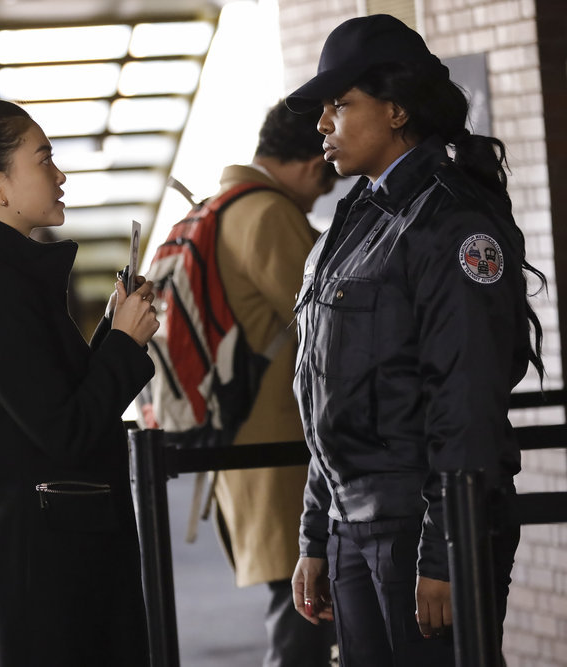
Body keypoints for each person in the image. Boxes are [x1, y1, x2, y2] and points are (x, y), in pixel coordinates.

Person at [285, 14, 545, 666]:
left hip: (421, 526)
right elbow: (329, 390)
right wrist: (316, 533)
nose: (323, 124)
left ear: (396, 110)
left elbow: (465, 396)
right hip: (350, 523)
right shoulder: (355, 216)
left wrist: (446, 551)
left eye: (341, 104)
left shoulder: (450, 221)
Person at [0, 98, 160, 666]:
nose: (59, 175)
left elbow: (47, 400)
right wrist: (122, 345)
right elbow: (65, 431)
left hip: (42, 558)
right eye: (44, 159)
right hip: (43, 577)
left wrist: (113, 333)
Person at [208, 100, 339, 667]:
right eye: (323, 185)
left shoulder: (220, 207)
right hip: (283, 452)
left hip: (240, 443)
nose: (316, 200)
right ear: (313, 164)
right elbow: (334, 322)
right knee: (303, 619)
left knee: (297, 612)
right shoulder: (269, 214)